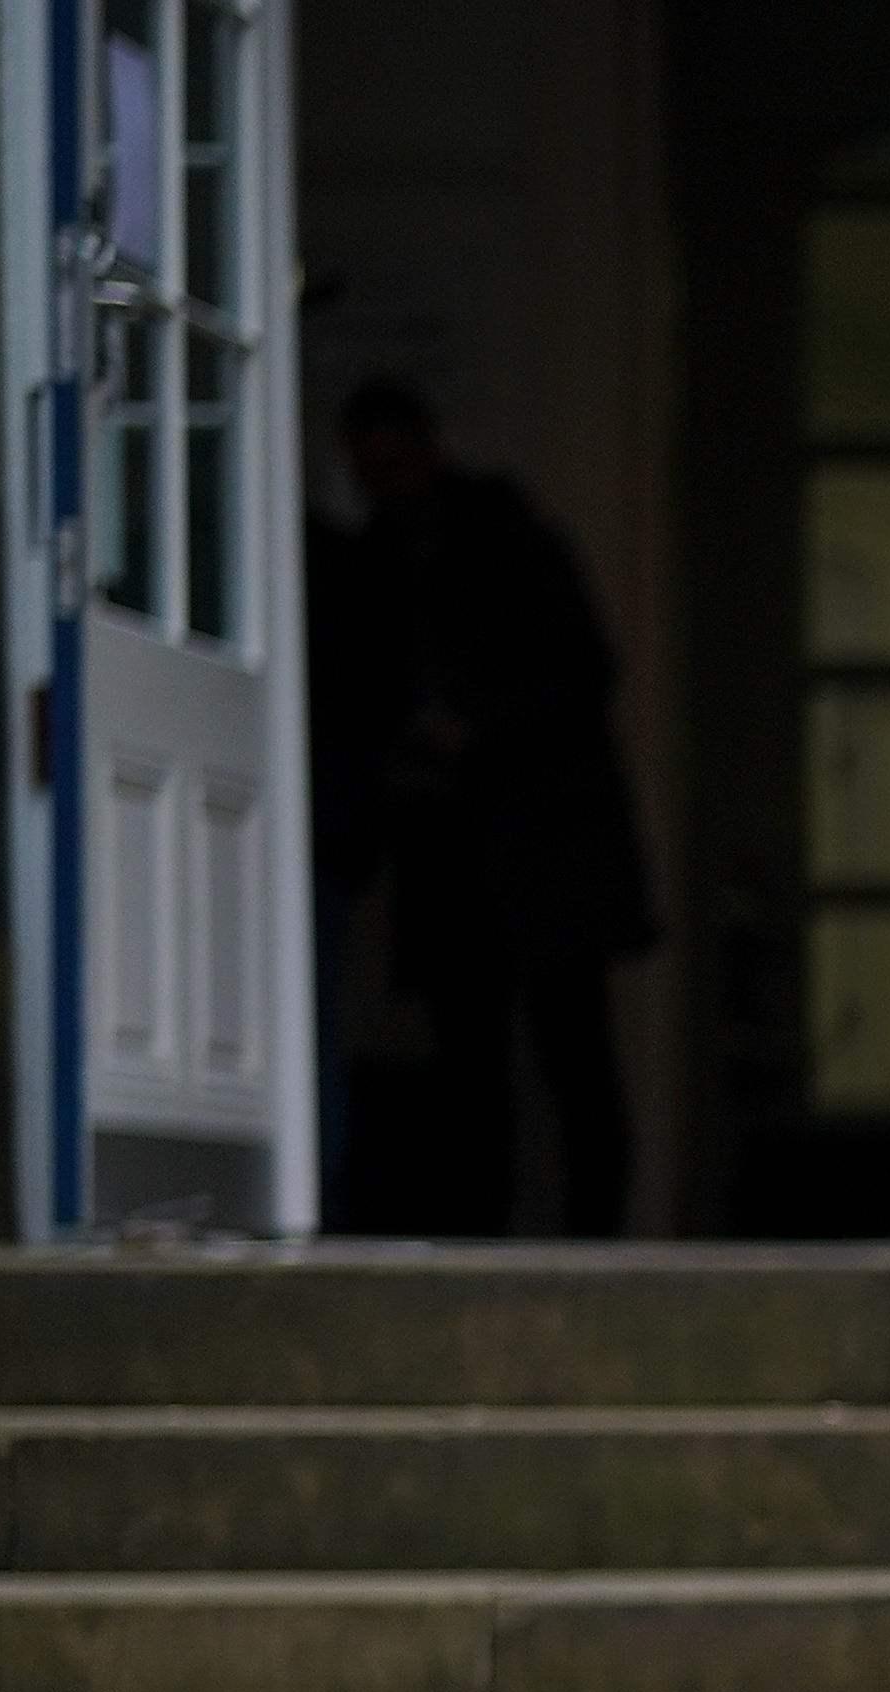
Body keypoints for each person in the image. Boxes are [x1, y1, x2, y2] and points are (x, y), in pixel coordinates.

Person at [331, 379, 655, 1236]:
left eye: (391, 465)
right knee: (469, 1062)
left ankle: (599, 1231)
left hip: (545, 839)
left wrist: (475, 724)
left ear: (426, 453)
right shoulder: (373, 562)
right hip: (447, 848)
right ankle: (482, 1233)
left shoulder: (511, 541)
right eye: (364, 471)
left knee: (572, 1052)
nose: (379, 485)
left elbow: (587, 670)